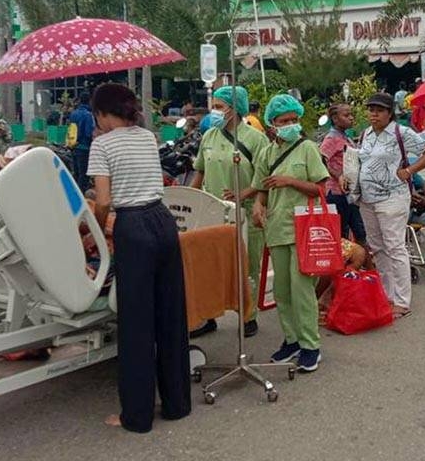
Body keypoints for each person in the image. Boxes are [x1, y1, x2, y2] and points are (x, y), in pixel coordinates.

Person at [86, 83, 191, 432]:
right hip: (163, 222)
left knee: (136, 324)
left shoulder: (101, 144)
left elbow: (102, 201)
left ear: (101, 113)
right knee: (170, 314)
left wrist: (99, 230)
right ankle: (177, 404)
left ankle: (137, 415)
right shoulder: (146, 136)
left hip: (132, 226)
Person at [251, 94, 330, 372]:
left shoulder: (307, 148)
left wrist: (290, 181)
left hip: (304, 229)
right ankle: (292, 340)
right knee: (282, 291)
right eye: (284, 121)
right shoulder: (266, 153)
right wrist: (258, 205)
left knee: (302, 290)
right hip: (276, 227)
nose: (290, 124)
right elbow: (261, 188)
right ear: (272, 124)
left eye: (294, 119)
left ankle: (311, 346)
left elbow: (320, 188)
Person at [190, 85, 268, 339]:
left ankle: (249, 316)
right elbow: (199, 170)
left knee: (247, 265)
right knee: (208, 267)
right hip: (211, 213)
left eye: (220, 106)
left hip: (244, 212)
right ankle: (207, 316)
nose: (215, 111)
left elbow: (264, 176)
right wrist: (190, 200)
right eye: (214, 106)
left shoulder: (255, 139)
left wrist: (245, 195)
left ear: (236, 108)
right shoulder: (209, 137)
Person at [356, 92, 425, 318]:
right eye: (371, 109)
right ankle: (387, 295)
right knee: (378, 247)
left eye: (379, 110)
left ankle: (402, 301)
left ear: (389, 113)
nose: (374, 114)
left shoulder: (401, 133)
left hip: (392, 197)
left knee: (394, 247)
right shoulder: (366, 134)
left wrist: (410, 171)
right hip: (367, 198)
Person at [319, 103, 366, 245]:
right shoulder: (331, 139)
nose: (351, 118)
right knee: (342, 233)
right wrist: (337, 175)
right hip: (336, 194)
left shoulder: (345, 137)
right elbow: (321, 160)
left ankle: (362, 263)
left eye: (351, 115)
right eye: (346, 115)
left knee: (359, 232)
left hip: (349, 194)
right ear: (335, 119)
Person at [69, 91, 96, 192]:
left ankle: (73, 194)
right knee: (83, 175)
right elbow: (89, 133)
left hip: (74, 145)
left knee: (76, 173)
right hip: (84, 147)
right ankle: (82, 196)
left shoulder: (73, 113)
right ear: (89, 101)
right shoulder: (88, 115)